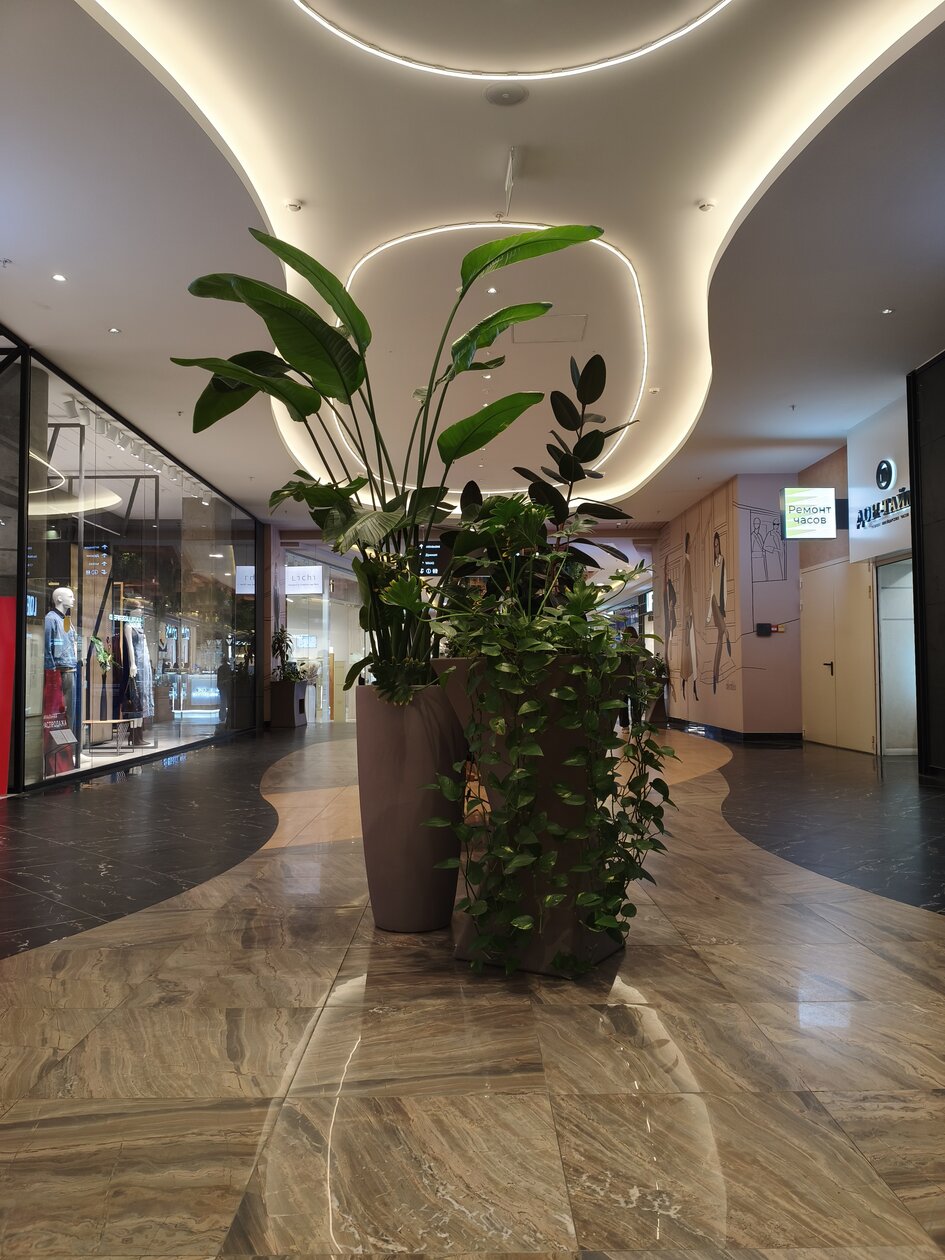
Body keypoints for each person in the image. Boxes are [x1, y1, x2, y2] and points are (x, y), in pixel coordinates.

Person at [706, 530, 732, 694]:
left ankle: (715, 675)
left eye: (717, 545)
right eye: (714, 546)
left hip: (720, 604)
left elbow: (724, 587)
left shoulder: (722, 561)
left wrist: (724, 608)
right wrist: (709, 614)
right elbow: (712, 591)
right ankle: (715, 675)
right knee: (721, 634)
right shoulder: (714, 565)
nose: (716, 548)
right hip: (714, 603)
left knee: (720, 637)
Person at [680, 532, 699, 701]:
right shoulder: (687, 566)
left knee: (692, 653)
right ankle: (688, 685)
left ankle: (692, 686)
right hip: (688, 622)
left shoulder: (690, 566)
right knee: (688, 653)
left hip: (691, 622)